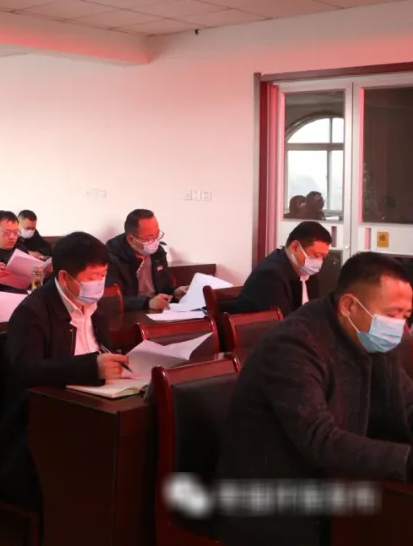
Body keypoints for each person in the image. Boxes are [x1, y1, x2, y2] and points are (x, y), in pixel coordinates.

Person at [217, 252, 413, 546]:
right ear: (349, 305)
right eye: (392, 314)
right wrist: (407, 461)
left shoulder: (369, 336)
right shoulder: (295, 344)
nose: (398, 326)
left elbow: (406, 401)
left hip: (332, 482)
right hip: (272, 499)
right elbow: (320, 440)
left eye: (406, 316)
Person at [0, 232, 129, 509]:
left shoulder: (94, 308)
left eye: (103, 275)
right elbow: (26, 370)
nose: (99, 284)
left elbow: (101, 351)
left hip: (94, 403)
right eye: (92, 277)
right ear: (64, 277)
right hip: (40, 417)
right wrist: (91, 367)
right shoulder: (33, 311)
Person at [229, 221, 331, 316]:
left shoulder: (308, 275)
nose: (319, 261)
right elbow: (283, 323)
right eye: (316, 255)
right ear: (295, 247)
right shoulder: (270, 275)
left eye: (323, 257)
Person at [105, 209, 186, 312]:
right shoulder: (112, 256)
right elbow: (113, 299)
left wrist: (175, 292)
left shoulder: (158, 252)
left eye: (157, 235)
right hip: (132, 312)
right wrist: (148, 303)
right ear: (131, 239)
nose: (155, 242)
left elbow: (165, 287)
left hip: (159, 310)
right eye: (149, 238)